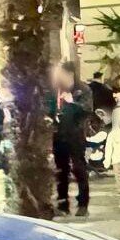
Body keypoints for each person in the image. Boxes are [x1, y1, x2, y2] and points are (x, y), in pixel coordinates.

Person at [51, 63, 91, 217]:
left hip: (75, 134)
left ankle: (83, 204)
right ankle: (62, 204)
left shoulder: (83, 89)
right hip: (59, 134)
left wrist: (72, 100)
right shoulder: (55, 90)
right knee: (61, 170)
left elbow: (87, 109)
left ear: (70, 74)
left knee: (79, 168)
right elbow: (50, 107)